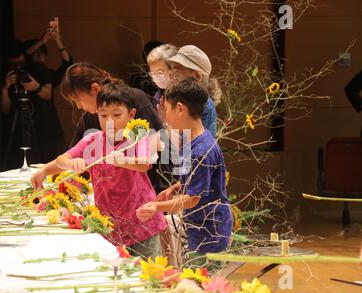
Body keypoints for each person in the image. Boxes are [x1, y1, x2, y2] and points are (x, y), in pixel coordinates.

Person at [32, 81, 168, 259]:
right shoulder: (93, 140)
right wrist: (57, 168)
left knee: (148, 276)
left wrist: (121, 160)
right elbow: (62, 159)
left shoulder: (138, 136)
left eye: (117, 115)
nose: (110, 121)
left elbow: (143, 164)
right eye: (103, 116)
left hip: (143, 223)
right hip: (110, 226)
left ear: (131, 115)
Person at [136, 77, 233, 269]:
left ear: (180, 108)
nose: (165, 117)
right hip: (199, 226)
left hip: (209, 230)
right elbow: (197, 180)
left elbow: (192, 199)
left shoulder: (201, 149)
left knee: (203, 286)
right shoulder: (194, 140)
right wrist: (175, 187)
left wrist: (157, 206)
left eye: (167, 110)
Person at [61, 62, 172, 194]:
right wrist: (46, 170)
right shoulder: (89, 117)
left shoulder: (134, 99)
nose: (79, 106)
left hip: (148, 192)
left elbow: (158, 155)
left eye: (78, 99)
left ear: (95, 89)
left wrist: (165, 193)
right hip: (111, 194)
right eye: (103, 115)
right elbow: (70, 155)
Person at [1, 40, 66, 169]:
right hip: (20, 129)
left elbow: (48, 94)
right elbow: (5, 110)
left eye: (19, 63)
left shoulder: (38, 69)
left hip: (45, 128)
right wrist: (5, 88)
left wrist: (35, 86)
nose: (17, 68)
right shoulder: (8, 75)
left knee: (51, 163)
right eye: (12, 64)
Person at [167, 45, 222, 137]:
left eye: (176, 73)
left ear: (197, 76)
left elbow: (192, 146)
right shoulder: (180, 99)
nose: (171, 76)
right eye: (171, 71)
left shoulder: (203, 106)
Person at [23, 17, 73, 87]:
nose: (39, 55)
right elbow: (26, 54)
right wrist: (41, 41)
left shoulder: (50, 75)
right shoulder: (25, 71)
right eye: (35, 53)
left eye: (41, 52)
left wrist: (58, 41)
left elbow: (67, 64)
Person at [147, 43, 178, 118]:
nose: (156, 77)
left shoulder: (189, 95)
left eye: (160, 72)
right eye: (152, 73)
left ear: (173, 70)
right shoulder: (159, 96)